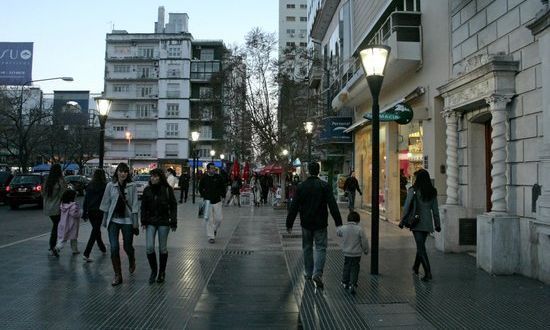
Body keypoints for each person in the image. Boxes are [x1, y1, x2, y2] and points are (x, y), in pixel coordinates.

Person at [286, 162, 343, 289]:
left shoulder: (301, 187)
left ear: (308, 171)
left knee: (307, 248)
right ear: (318, 171)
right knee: (321, 248)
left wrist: (289, 223)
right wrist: (338, 223)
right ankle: (318, 273)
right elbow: (333, 205)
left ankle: (308, 272)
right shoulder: (325, 186)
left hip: (306, 223)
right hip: (321, 223)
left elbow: (294, 206)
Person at [100, 162, 139, 286]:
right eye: (120, 171)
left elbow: (134, 206)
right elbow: (106, 204)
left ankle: (131, 258)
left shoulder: (132, 186)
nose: (123, 173)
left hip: (127, 221)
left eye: (125, 171)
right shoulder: (110, 186)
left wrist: (135, 223)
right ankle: (118, 275)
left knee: (127, 246)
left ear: (128, 173)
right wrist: (104, 220)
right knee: (114, 247)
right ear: (117, 172)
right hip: (113, 221)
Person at [398, 169, 441, 282]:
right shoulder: (432, 191)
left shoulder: (413, 190)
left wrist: (402, 221)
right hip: (427, 223)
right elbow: (435, 210)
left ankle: (428, 272)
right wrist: (437, 224)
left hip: (416, 222)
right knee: (420, 245)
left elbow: (407, 207)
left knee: (421, 247)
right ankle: (416, 267)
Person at [141, 168, 177, 284]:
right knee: (149, 247)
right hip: (151, 221)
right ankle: (154, 270)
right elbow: (143, 207)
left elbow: (173, 205)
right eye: (152, 176)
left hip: (163, 221)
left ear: (161, 177)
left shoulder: (167, 190)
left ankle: (162, 272)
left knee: (162, 248)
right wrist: (143, 221)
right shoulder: (147, 190)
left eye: (156, 176)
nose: (153, 178)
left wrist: (173, 221)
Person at [337, 211, 369, 294]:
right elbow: (364, 241)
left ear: (348, 219)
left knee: (346, 266)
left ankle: (345, 282)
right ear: (358, 220)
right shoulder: (360, 229)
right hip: (356, 253)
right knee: (355, 268)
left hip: (347, 253)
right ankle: (353, 284)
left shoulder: (343, 228)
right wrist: (365, 250)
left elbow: (338, 233)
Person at [81, 169, 108, 262]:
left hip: (91, 211)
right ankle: (86, 253)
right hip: (99, 210)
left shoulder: (89, 185)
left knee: (96, 230)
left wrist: (84, 212)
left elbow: (86, 200)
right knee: (95, 231)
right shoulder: (105, 186)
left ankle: (102, 248)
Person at [43, 164, 66, 257]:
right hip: (56, 207)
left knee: (56, 226)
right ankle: (53, 246)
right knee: (57, 227)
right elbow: (62, 194)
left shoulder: (47, 181)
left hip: (48, 207)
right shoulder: (60, 181)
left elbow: (43, 193)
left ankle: (52, 246)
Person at [199, 163, 226, 243]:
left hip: (217, 201)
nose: (213, 169)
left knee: (219, 219)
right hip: (207, 201)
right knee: (209, 220)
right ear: (207, 169)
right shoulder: (204, 178)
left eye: (214, 168)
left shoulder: (219, 177)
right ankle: (211, 237)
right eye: (211, 168)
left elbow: (223, 187)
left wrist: (222, 195)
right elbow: (200, 188)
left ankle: (214, 229)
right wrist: (204, 196)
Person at [55, 189, 81, 254]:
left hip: (63, 223)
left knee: (63, 238)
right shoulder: (74, 205)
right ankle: (73, 249)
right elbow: (74, 214)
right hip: (72, 225)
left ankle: (57, 247)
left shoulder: (62, 205)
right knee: (73, 238)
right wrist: (80, 213)